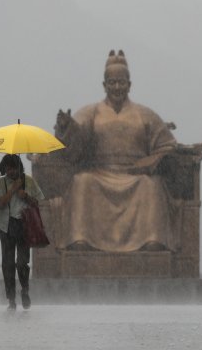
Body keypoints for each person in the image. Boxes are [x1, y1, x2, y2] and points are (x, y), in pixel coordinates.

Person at [54, 50, 177, 252]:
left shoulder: (145, 115)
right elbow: (76, 143)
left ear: (129, 84)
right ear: (104, 85)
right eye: (112, 83)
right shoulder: (90, 112)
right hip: (99, 173)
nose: (117, 87)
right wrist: (66, 127)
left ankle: (152, 241)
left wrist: (153, 160)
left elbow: (167, 144)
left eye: (121, 82)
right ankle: (80, 240)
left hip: (135, 176)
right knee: (82, 181)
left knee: (152, 185)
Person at [0, 154, 45, 310]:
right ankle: (11, 299)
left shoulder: (28, 182)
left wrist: (25, 195)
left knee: (22, 262)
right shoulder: (0, 183)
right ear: (4, 169)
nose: (11, 171)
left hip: (24, 225)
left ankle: (25, 290)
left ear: (18, 167)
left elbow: (37, 202)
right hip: (5, 226)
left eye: (13, 168)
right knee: (8, 264)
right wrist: (12, 191)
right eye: (8, 168)